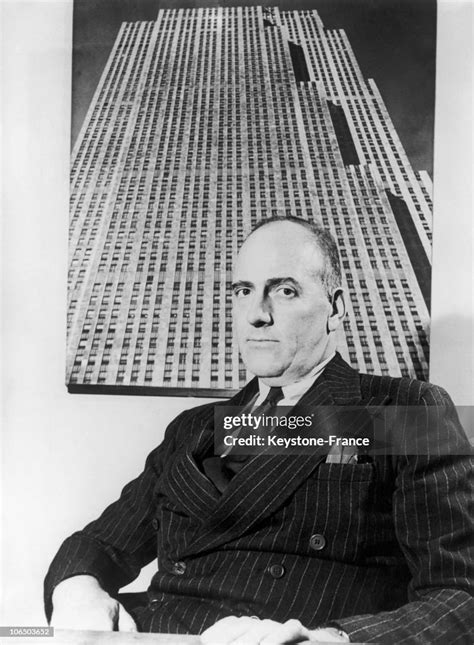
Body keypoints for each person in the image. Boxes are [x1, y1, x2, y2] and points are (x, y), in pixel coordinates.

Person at [45, 217, 473, 643]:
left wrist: (330, 640)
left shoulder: (402, 409)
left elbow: (460, 595)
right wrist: (78, 592)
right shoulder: (194, 427)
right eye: (243, 291)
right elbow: (101, 543)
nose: (256, 315)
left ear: (336, 308)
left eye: (284, 291)